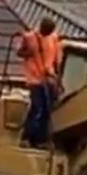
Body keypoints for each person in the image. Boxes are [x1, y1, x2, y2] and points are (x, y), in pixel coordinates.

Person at [17, 17, 63, 147]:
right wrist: (28, 52)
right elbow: (19, 52)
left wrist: (56, 77)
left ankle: (40, 139)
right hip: (34, 78)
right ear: (41, 27)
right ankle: (26, 137)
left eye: (48, 31)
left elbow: (57, 59)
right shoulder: (30, 37)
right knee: (37, 107)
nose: (46, 33)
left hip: (48, 77)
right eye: (45, 30)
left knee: (47, 109)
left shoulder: (54, 39)